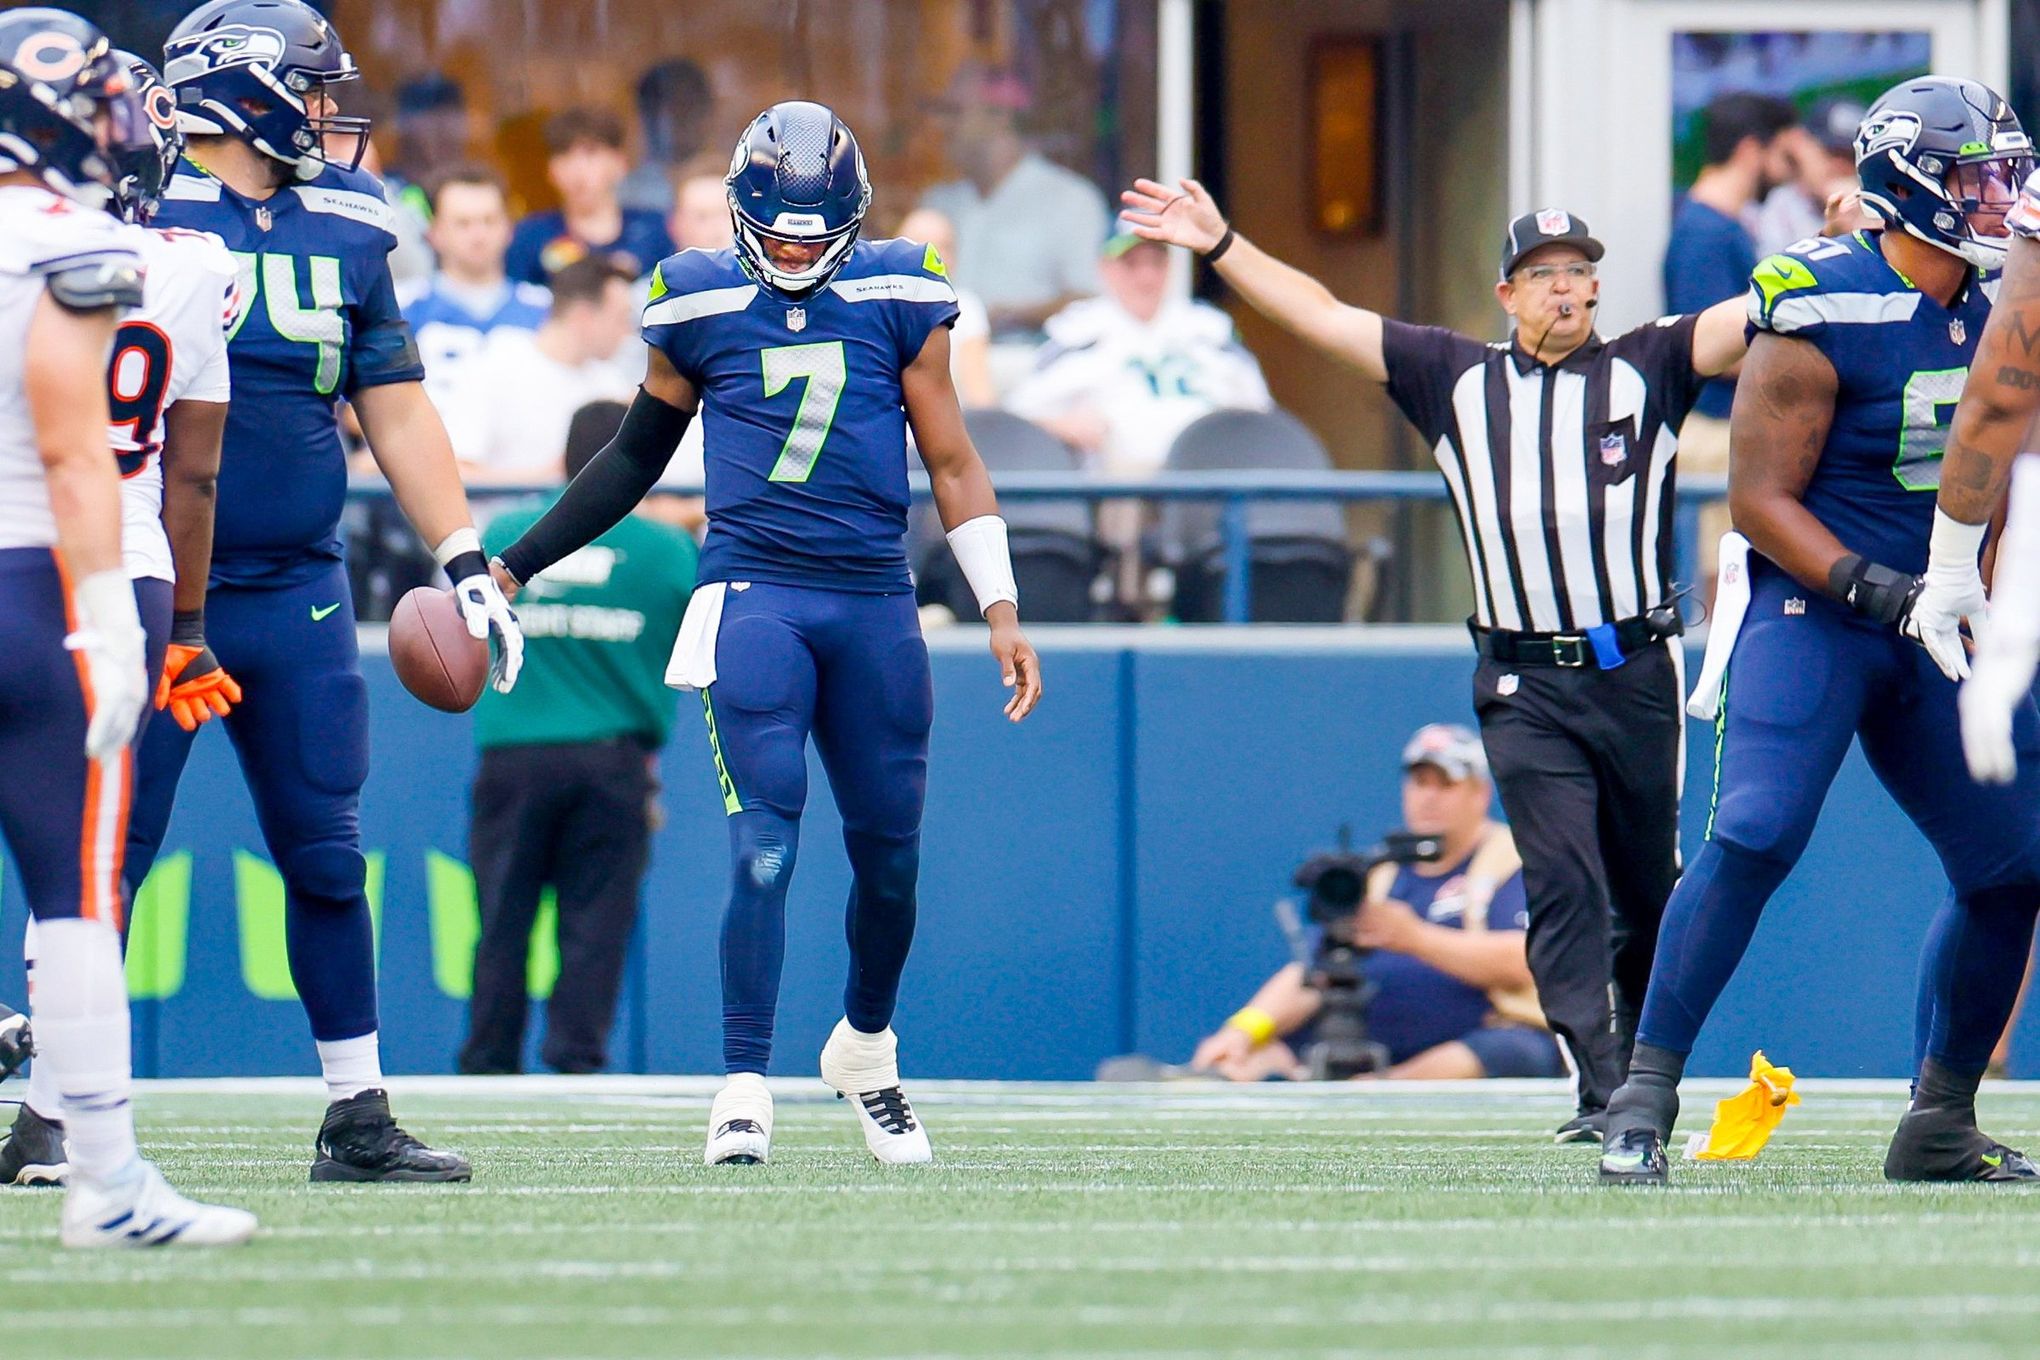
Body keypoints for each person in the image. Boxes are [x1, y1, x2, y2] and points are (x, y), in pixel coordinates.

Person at [1120, 179, 1750, 1142]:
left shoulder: (1649, 363)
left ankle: (1642, 1074)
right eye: (1543, 276)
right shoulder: (1456, 377)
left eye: (1580, 272)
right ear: (1506, 295)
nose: (1566, 291)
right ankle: (1606, 1087)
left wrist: (1851, 250)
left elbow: (1750, 315)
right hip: (1522, 678)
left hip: (1633, 671)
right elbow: (1323, 317)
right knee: (1561, 881)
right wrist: (1221, 245)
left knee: (1646, 890)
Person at [489, 101, 1043, 1167]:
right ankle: (743, 1079)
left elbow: (955, 460)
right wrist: (519, 560)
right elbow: (634, 455)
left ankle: (867, 1051)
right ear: (742, 213)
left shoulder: (901, 287)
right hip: (755, 595)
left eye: (811, 236)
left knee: (890, 861)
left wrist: (1001, 603)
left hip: (875, 598)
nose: (792, 252)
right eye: (777, 233)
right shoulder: (692, 297)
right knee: (764, 847)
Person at [1598, 77, 2040, 1187]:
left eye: (2004, 174)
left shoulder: (2007, 300)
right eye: (1975, 178)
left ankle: (1938, 1117)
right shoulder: (1816, 297)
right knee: (1756, 829)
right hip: (1820, 602)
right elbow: (1757, 502)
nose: (1998, 200)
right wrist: (1886, 591)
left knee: (2013, 864)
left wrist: (1977, 596)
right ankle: (1641, 1097)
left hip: (1947, 616)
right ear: (1909, 185)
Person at [128, 0, 524, 1183]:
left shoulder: (349, 216)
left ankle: (356, 1113)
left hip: (297, 586)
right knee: (106, 856)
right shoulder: (136, 214)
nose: (323, 115)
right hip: (150, 581)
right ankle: (53, 1112)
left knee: (326, 855)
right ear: (243, 94)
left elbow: (392, 398)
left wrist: (461, 553)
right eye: (306, 92)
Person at [0, 6, 253, 1246]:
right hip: (64, 579)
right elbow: (83, 453)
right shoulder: (134, 256)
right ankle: (102, 1178)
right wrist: (116, 620)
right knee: (76, 891)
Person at [460, 401, 699, 1075]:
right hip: (613, 761)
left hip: (512, 755)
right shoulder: (669, 552)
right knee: (596, 927)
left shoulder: (508, 531)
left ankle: (487, 1062)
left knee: (501, 922)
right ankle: (576, 1060)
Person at [1189, 725, 1560, 1082]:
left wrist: (1415, 937)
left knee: (1507, 1050)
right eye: (1419, 782)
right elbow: (1314, 970)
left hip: (1482, 1038)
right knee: (1255, 1055)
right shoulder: (1382, 872)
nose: (1428, 796)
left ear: (1478, 794)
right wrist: (1243, 1032)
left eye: (1445, 784)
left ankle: (1384, 1087)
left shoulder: (1510, 858)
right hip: (1367, 1037)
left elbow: (1529, 960)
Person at [917, 64, 1109, 337]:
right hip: (946, 370)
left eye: (955, 112)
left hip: (1037, 366)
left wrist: (1009, 316)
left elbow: (1091, 301)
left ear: (999, 116)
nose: (942, 125)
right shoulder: (938, 202)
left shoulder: (1069, 200)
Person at [439, 256, 638, 486]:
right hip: (499, 520)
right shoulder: (495, 365)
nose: (627, 332)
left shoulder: (611, 383)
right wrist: (550, 476)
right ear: (584, 316)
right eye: (621, 318)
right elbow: (453, 473)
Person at [401, 165, 551, 418]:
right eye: (463, 223)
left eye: (489, 221)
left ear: (509, 228)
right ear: (434, 232)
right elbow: (360, 412)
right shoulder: (400, 307)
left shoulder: (547, 310)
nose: (479, 235)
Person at [507, 106, 674, 287]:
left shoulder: (656, 230)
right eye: (564, 155)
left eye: (591, 153)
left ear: (620, 162)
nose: (577, 169)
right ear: (551, 169)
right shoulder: (530, 236)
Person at [897, 207, 996, 407]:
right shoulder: (871, 305)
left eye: (944, 246)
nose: (931, 256)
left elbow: (980, 394)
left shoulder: (966, 308)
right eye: (918, 244)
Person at [1754, 96, 1866, 258]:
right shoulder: (1780, 208)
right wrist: (1831, 236)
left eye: (1850, 156)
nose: (1839, 166)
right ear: (1802, 145)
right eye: (1831, 152)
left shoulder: (1879, 208)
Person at [619, 59, 714, 216]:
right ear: (647, 117)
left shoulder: (735, 186)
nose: (679, 121)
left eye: (688, 108)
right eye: (670, 111)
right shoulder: (628, 194)